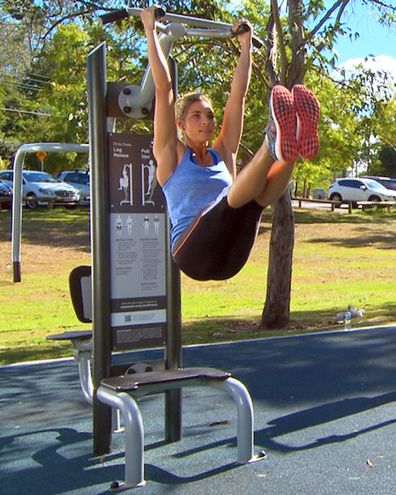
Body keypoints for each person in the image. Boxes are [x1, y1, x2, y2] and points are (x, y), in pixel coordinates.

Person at [140, 6, 320, 281]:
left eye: (209, 116)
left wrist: (246, 46)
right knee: (234, 199)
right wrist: (150, 30)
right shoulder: (171, 155)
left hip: (232, 258)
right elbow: (164, 89)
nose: (205, 122)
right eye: (196, 116)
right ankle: (272, 145)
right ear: (180, 125)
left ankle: (290, 145)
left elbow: (238, 97)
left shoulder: (222, 152)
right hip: (193, 254)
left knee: (254, 201)